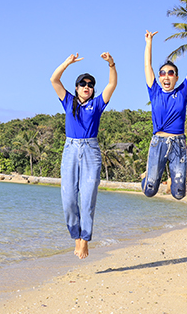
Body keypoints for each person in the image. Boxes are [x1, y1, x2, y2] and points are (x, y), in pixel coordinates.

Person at [50, 52, 117, 259]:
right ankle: (76, 236)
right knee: (69, 198)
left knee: (87, 198)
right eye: (82, 84)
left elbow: (111, 85)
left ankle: (85, 239)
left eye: (90, 84)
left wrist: (111, 64)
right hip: (70, 150)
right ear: (76, 87)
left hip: (91, 151)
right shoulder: (68, 101)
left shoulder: (96, 104)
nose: (87, 86)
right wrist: (67, 63)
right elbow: (54, 79)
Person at [142, 25, 187, 200]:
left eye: (170, 73)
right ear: (159, 77)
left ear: (176, 77)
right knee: (149, 190)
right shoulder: (154, 91)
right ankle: (147, 176)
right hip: (158, 142)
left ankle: (170, 178)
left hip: (178, 144)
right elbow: (147, 66)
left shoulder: (182, 92)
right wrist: (149, 43)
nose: (166, 76)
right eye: (163, 73)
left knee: (179, 193)